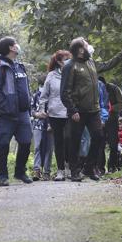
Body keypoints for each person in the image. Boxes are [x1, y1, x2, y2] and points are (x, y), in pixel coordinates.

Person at [61, 37, 122, 182]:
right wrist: (72, 110)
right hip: (78, 111)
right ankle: (74, 171)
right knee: (75, 141)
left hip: (94, 110)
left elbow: (108, 64)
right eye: (86, 45)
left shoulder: (91, 62)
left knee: (99, 137)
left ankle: (89, 167)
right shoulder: (70, 66)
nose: (89, 47)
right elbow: (64, 92)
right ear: (80, 50)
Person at [0, 36, 33, 185]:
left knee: (26, 142)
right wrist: (5, 107)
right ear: (11, 48)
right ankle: (2, 176)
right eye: (15, 44)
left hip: (23, 113)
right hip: (6, 114)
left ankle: (20, 172)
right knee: (3, 145)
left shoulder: (20, 66)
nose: (17, 46)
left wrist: (29, 106)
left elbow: (25, 88)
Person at [37, 50, 72, 181]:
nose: (68, 62)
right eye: (65, 59)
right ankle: (60, 170)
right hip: (55, 113)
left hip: (70, 112)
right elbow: (44, 95)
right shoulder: (51, 76)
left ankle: (69, 166)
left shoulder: (72, 74)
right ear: (58, 62)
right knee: (59, 142)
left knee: (69, 139)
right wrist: (41, 109)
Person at [98, 75, 122, 173]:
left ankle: (112, 166)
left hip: (112, 119)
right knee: (99, 144)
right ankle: (100, 168)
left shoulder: (113, 88)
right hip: (99, 120)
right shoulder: (93, 89)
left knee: (113, 144)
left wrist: (112, 108)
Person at [31, 74, 54, 181]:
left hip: (51, 124)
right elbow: (30, 110)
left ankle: (46, 171)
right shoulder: (35, 95)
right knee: (37, 146)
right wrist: (37, 114)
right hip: (37, 124)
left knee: (49, 147)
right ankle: (36, 169)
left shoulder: (53, 96)